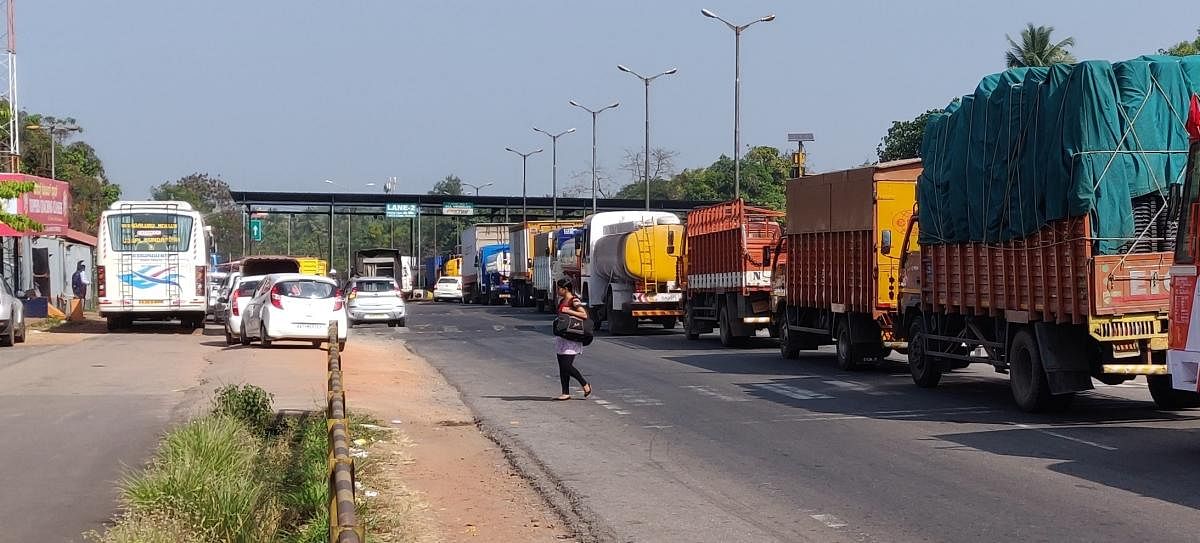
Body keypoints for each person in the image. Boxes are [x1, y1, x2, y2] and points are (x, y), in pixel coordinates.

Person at [553, 278, 592, 401]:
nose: (557, 290)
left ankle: (585, 384)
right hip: (562, 337)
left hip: (572, 337)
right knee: (562, 366)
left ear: (566, 289)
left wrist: (569, 311)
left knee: (567, 365)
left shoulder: (574, 300)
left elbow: (584, 314)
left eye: (559, 288)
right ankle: (565, 392)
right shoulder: (561, 300)